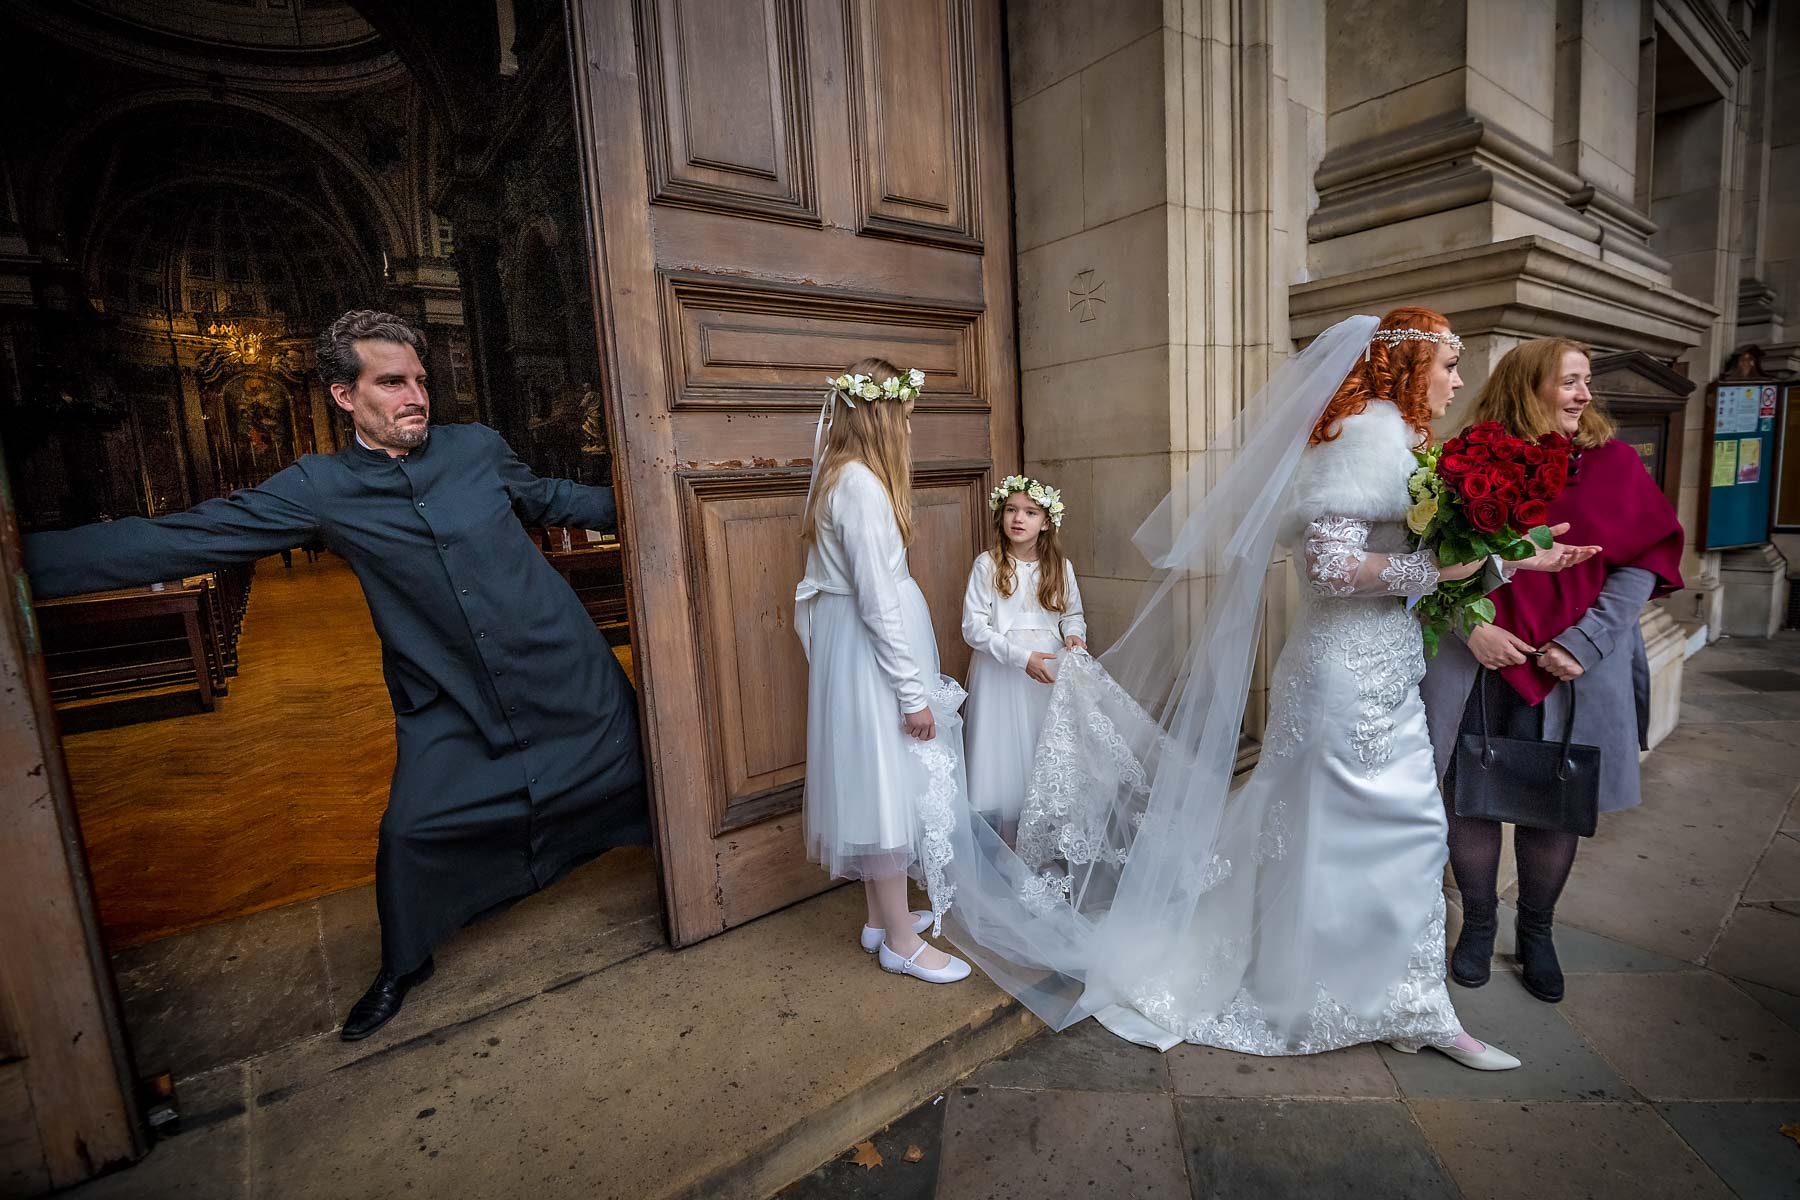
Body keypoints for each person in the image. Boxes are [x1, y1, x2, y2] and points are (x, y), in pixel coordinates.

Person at [938, 310, 1597, 1069]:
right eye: (1447, 364)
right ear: (1407, 365)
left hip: (1385, 668)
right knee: (1391, 831)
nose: (1457, 380)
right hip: (1342, 674)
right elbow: (1329, 569)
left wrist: (1514, 562)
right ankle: (1336, 990)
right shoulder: (1366, 436)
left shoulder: (1409, 443)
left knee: (1383, 834)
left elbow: (1416, 556)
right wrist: (1445, 571)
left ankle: (1403, 996)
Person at [24, 309, 649, 1040]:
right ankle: (405, 963)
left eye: (419, 379)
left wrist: (676, 496)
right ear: (344, 396)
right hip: (448, 697)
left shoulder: (476, 448)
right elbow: (188, 536)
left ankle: (687, 871)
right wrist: (23, 561)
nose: (416, 395)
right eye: (392, 382)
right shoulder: (318, 488)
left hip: (563, 670)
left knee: (644, 774)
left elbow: (552, 499)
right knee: (412, 834)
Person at [1421, 338, 1684, 1002]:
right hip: (1479, 661)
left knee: (1552, 808)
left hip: (1574, 666)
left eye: (1586, 381)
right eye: (1570, 381)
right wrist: (1472, 626)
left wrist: (1586, 643)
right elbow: (1429, 559)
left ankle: (1536, 934)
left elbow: (1642, 564)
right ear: (1527, 386)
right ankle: (1478, 927)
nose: (1585, 395)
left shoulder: (1614, 464)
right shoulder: (1465, 462)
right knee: (1469, 795)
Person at [795, 357, 971, 985]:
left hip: (856, 649)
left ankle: (880, 915)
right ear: (879, 415)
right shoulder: (863, 489)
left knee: (875, 782)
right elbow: (874, 600)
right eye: (903, 418)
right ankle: (900, 941)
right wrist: (911, 693)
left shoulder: (836, 477)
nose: (908, 430)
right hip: (876, 656)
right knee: (888, 787)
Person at [961, 475, 1086, 841]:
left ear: (1046, 521)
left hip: (1046, 672)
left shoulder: (1060, 567)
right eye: (1012, 510)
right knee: (1005, 768)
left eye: (1030, 512)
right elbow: (974, 627)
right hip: (1003, 673)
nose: (1019, 518)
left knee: (1041, 757)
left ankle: (1040, 850)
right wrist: (1020, 658)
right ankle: (1009, 849)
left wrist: (1075, 636)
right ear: (1001, 515)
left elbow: (1071, 614)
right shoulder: (988, 565)